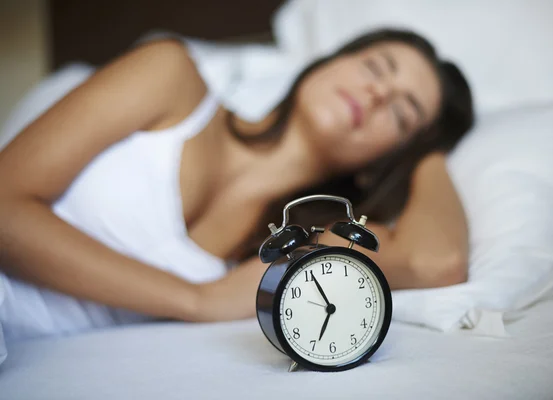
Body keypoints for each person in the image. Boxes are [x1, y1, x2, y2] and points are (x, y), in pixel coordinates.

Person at [0, 28, 473, 340]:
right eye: (375, 67)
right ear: (328, 62)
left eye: (400, 112)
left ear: (385, 162)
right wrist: (194, 300)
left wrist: (428, 151)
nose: (377, 92)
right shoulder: (169, 77)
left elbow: (436, 263)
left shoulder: (302, 246)